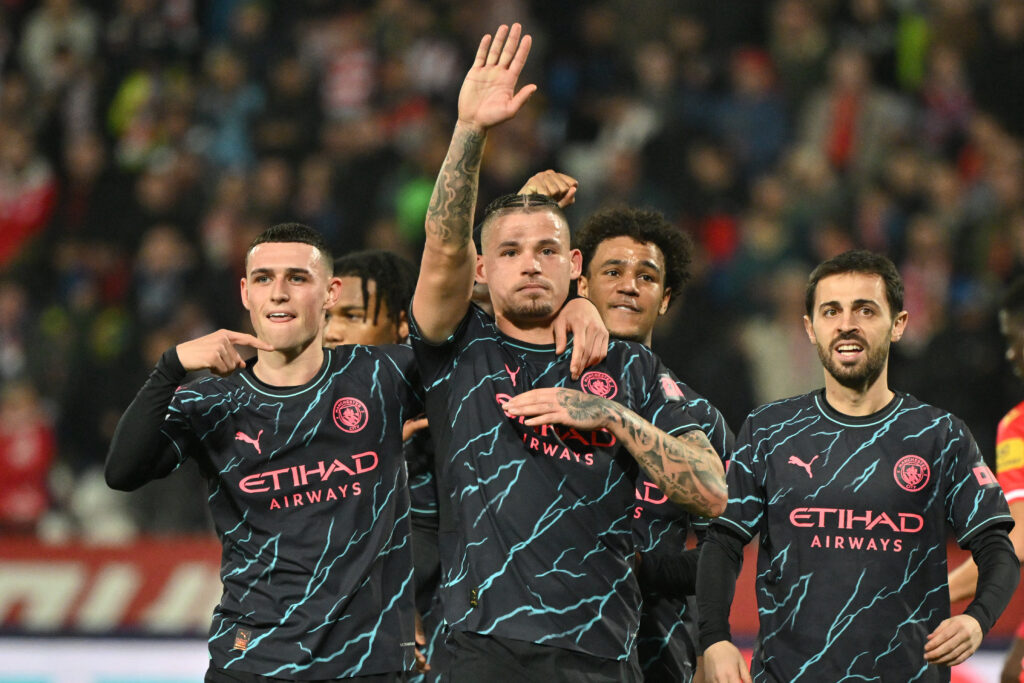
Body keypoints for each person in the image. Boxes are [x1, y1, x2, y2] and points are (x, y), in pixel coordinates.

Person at [409, 23, 727, 682]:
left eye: (548, 250)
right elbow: (441, 245)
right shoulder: (456, 348)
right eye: (510, 251)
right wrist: (470, 130)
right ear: (480, 270)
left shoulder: (630, 368)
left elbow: (714, 490)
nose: (530, 264)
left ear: (574, 265)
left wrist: (610, 417)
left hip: (599, 653)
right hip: (478, 646)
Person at [106, 223, 424, 682]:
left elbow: (470, 352)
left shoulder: (382, 375)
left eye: (297, 278)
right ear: (245, 293)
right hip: (250, 662)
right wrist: (170, 367)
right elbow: (122, 471)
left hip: (367, 665)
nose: (278, 293)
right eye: (263, 279)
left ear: (330, 292)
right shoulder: (210, 403)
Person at [697, 249, 1019, 683]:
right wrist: (715, 638)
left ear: (898, 324)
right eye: (831, 311)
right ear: (811, 328)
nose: (847, 323)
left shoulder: (941, 435)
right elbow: (722, 543)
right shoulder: (769, 430)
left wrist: (978, 619)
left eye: (865, 310)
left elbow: (998, 548)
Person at [573, 200, 734, 682]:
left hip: (656, 652)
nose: (629, 285)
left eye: (646, 276)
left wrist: (640, 568)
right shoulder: (541, 390)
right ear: (580, 285)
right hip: (548, 640)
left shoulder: (699, 419)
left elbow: (725, 551)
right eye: (613, 271)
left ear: (665, 298)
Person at [947, 276, 1024, 683]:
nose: (1011, 355)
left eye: (1015, 339)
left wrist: (934, 592)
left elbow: (1017, 539)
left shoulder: (1019, 426)